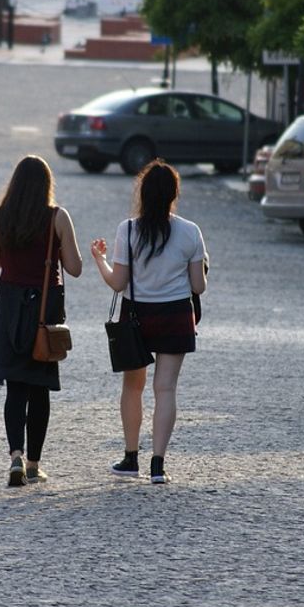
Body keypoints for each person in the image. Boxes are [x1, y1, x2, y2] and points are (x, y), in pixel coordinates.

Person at [90, 160, 208, 484]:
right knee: (165, 388)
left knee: (133, 387)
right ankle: (158, 465)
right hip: (175, 316)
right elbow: (198, 287)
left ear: (142, 193)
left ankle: (131, 458)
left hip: (136, 315)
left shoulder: (127, 230)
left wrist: (99, 260)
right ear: (174, 194)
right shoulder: (190, 231)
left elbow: (118, 282)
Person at [0, 155, 83, 486]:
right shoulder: (57, 217)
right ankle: (34, 464)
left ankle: (15, 455)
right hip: (44, 311)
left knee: (15, 387)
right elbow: (74, 268)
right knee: (39, 389)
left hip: (10, 308)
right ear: (47, 185)